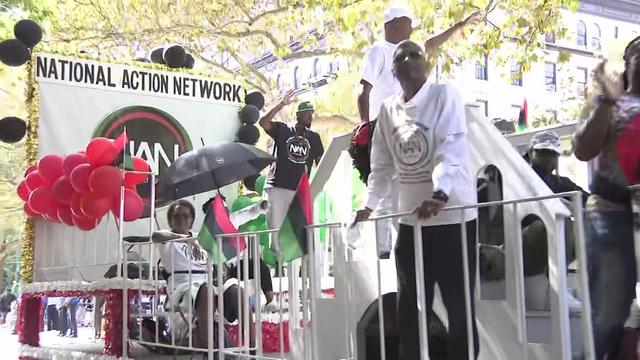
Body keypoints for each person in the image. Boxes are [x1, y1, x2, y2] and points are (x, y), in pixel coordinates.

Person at [355, 40, 478, 359]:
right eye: (400, 57)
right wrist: (368, 205)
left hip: (453, 219)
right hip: (411, 221)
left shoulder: (444, 96)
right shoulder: (388, 109)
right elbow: (381, 165)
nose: (408, 60)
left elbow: (450, 151)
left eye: (415, 55)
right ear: (393, 71)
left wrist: (440, 194)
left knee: (458, 306)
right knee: (408, 306)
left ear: (426, 65)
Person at [573, 36, 640, 360]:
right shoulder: (608, 102)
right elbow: (583, 148)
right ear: (627, 62)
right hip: (611, 214)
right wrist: (606, 102)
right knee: (607, 315)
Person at [148, 199, 259, 348]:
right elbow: (156, 235)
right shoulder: (167, 239)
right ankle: (210, 352)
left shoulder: (201, 238)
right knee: (205, 290)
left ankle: (250, 349)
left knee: (236, 290)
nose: (181, 219)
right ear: (170, 220)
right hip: (182, 289)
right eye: (177, 216)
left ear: (191, 220)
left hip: (207, 286)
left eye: (185, 216)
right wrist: (186, 239)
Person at [258, 94, 324, 247]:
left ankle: (302, 269)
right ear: (298, 115)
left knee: (299, 237)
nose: (310, 115)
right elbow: (263, 122)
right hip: (278, 187)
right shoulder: (284, 129)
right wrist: (281, 104)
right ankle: (278, 267)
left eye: (311, 112)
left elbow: (321, 164)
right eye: (306, 112)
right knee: (275, 235)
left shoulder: (314, 138)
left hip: (299, 191)